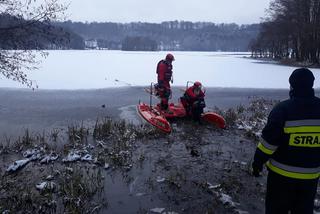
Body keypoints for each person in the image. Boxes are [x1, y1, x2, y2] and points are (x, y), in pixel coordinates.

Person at [251, 68, 320, 214]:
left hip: (281, 177)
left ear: (292, 86)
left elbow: (268, 143)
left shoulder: (283, 109)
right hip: (310, 178)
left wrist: (257, 163)